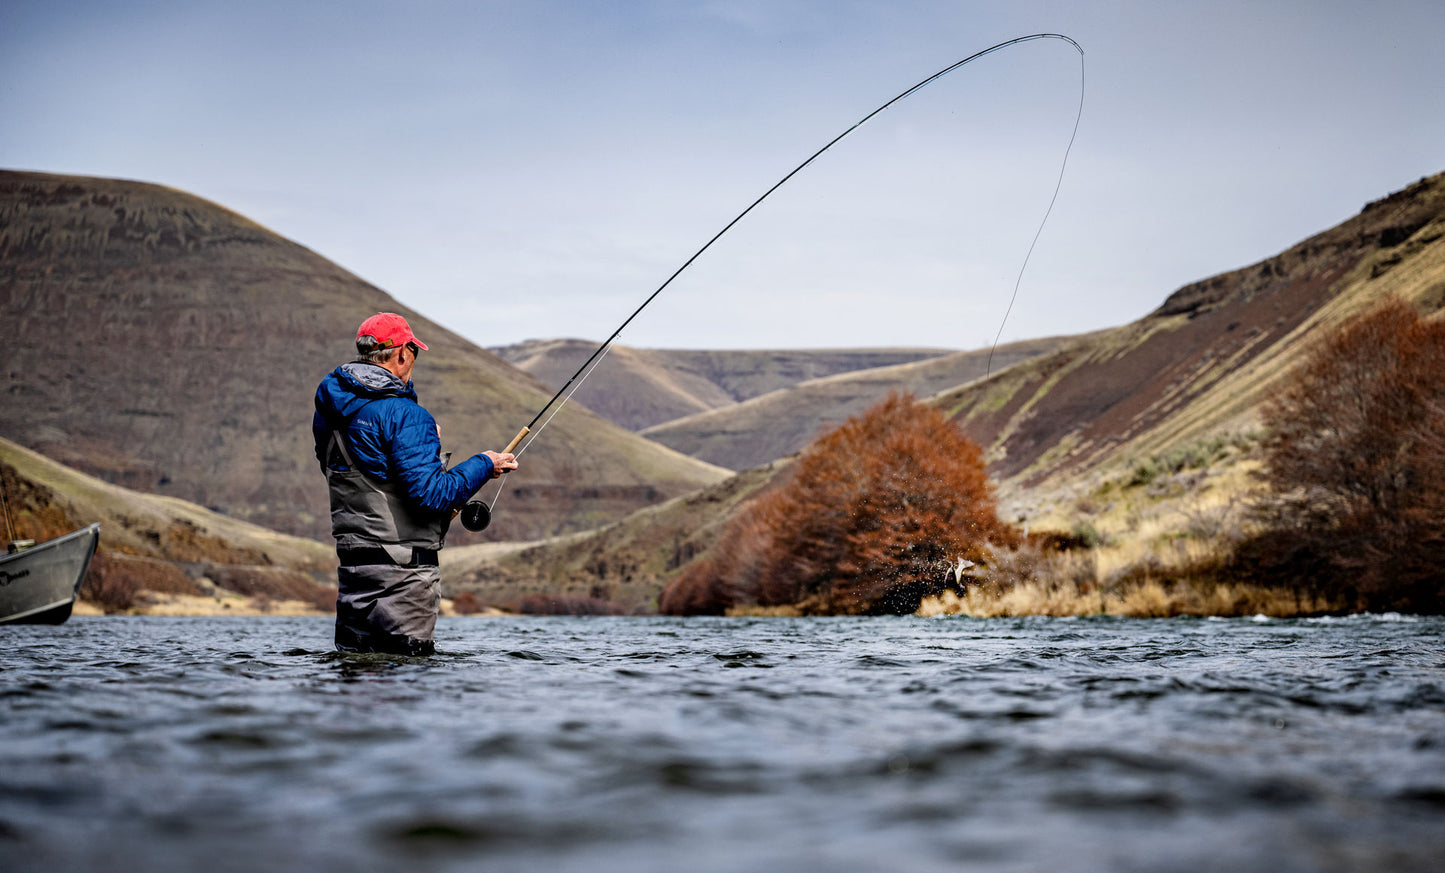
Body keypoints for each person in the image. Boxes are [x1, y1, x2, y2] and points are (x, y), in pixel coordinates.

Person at [312, 312, 517, 655]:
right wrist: (485, 463)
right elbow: (431, 497)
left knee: (354, 679)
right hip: (403, 578)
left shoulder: (330, 414)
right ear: (403, 353)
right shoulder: (405, 415)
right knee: (405, 686)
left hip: (353, 570)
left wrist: (422, 452)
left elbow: (361, 474)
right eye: (414, 353)